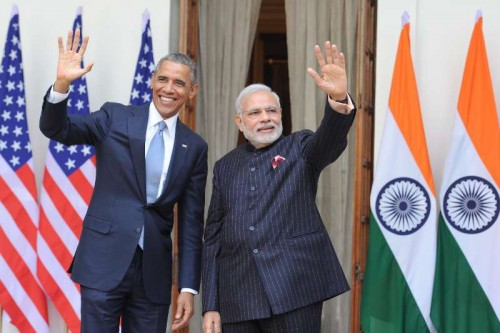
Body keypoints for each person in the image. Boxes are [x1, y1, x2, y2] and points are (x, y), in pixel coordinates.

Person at [39, 29, 208, 333]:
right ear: (152, 80)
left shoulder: (194, 147)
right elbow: (57, 129)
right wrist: (62, 84)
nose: (169, 89)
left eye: (179, 83)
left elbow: (192, 223)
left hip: (153, 276)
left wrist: (187, 287)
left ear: (192, 91)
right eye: (163, 79)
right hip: (104, 262)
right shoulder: (114, 117)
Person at [202, 41, 356, 333]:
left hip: (293, 289)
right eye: (255, 113)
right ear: (239, 121)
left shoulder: (300, 147)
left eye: (271, 111)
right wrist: (211, 303)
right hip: (239, 297)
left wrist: (337, 100)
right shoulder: (225, 166)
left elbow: (329, 142)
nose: (265, 118)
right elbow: (212, 239)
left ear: (281, 114)